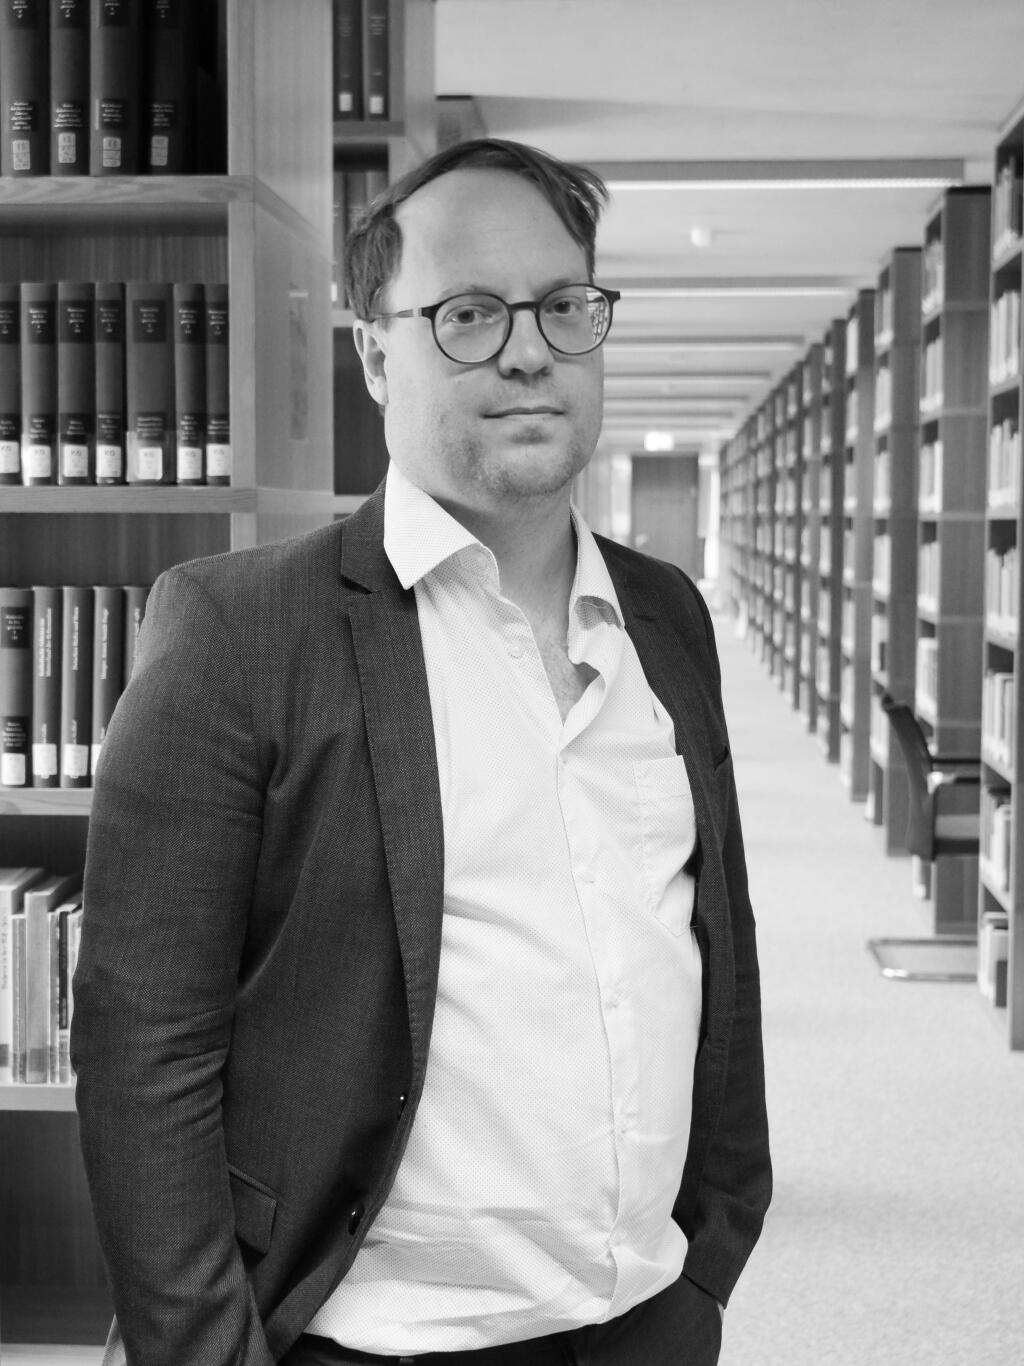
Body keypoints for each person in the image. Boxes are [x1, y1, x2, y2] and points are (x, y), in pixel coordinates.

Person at [72, 137, 771, 1366]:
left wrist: (712, 1247)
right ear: (374, 353)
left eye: (563, 305)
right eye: (467, 312)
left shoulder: (667, 615)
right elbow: (143, 1046)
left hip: (647, 1319)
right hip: (373, 1337)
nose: (527, 350)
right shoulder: (240, 631)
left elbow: (712, 941)